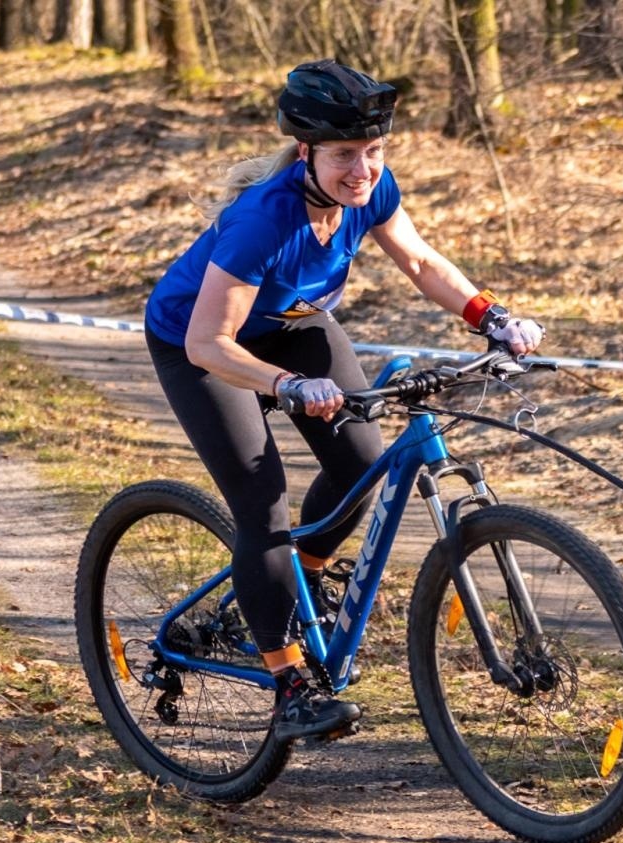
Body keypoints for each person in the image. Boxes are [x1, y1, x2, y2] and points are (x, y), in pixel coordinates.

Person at [143, 59, 544, 742]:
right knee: (263, 500)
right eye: (344, 157)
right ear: (306, 153)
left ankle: (291, 582)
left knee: (363, 462)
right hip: (199, 344)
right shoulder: (263, 220)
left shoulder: (371, 190)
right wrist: (287, 386)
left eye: (373, 152)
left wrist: (491, 316)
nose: (362, 169)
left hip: (291, 325)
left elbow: (420, 263)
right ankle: (290, 685)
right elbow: (211, 341)